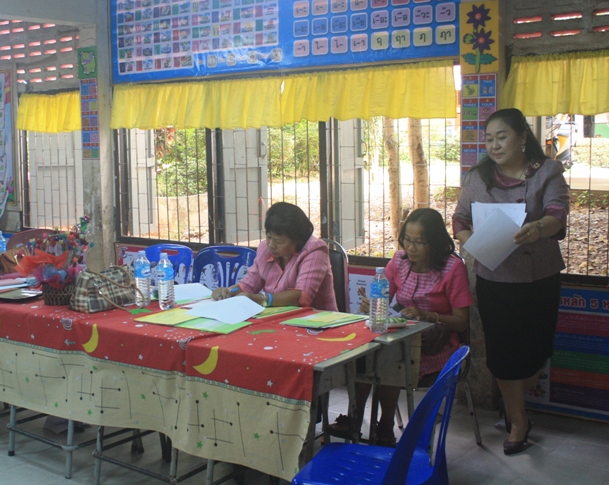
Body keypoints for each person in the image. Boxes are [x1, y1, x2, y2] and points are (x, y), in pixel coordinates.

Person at [452, 108, 569, 455]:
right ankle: (518, 421)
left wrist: (537, 228)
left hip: (539, 278)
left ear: (522, 138)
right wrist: (471, 242)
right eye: (489, 139)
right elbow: (459, 217)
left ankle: (514, 401)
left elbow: (558, 213)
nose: (494, 145)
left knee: (536, 352)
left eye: (502, 137)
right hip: (495, 278)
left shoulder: (547, 171)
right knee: (503, 355)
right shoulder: (478, 176)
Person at [343, 208, 472, 447]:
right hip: (400, 336)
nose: (411, 248)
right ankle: (354, 419)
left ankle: (384, 425)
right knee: (364, 355)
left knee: (392, 359)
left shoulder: (452, 268)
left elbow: (461, 321)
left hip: (436, 344)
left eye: (419, 242)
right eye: (407, 240)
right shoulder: (399, 261)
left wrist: (429, 315)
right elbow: (383, 299)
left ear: (434, 242)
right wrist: (373, 304)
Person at [211, 201, 337, 311]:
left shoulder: (315, 250)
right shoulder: (264, 249)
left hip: (319, 322)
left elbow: (302, 297)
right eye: (269, 237)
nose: (271, 245)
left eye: (279, 241)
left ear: (297, 240)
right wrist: (228, 292)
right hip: (280, 319)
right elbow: (248, 286)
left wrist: (261, 299)